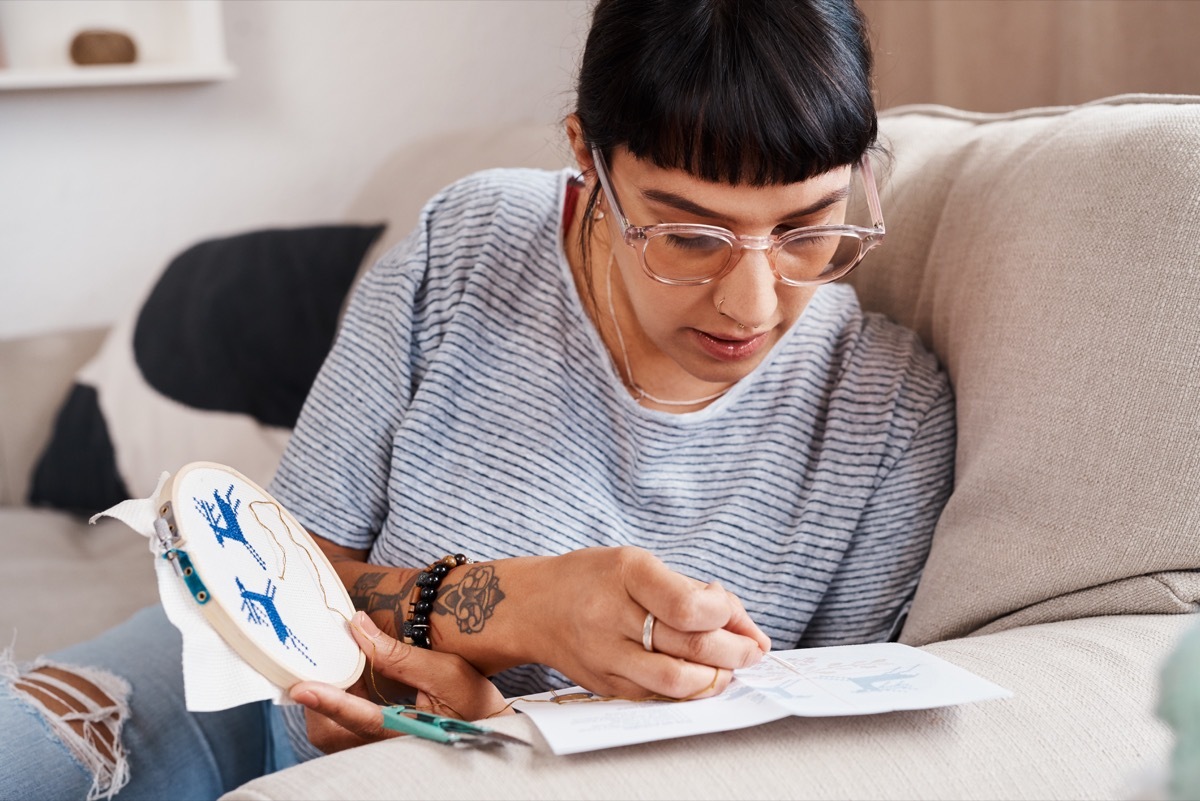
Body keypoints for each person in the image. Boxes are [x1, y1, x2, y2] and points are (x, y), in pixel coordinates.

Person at [0, 0, 955, 797]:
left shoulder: (888, 416)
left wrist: (494, 744)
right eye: (688, 234)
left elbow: (814, 757)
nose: (752, 304)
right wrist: (519, 609)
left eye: (806, 226)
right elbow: (281, 563)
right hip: (228, 689)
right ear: (589, 158)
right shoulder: (473, 238)